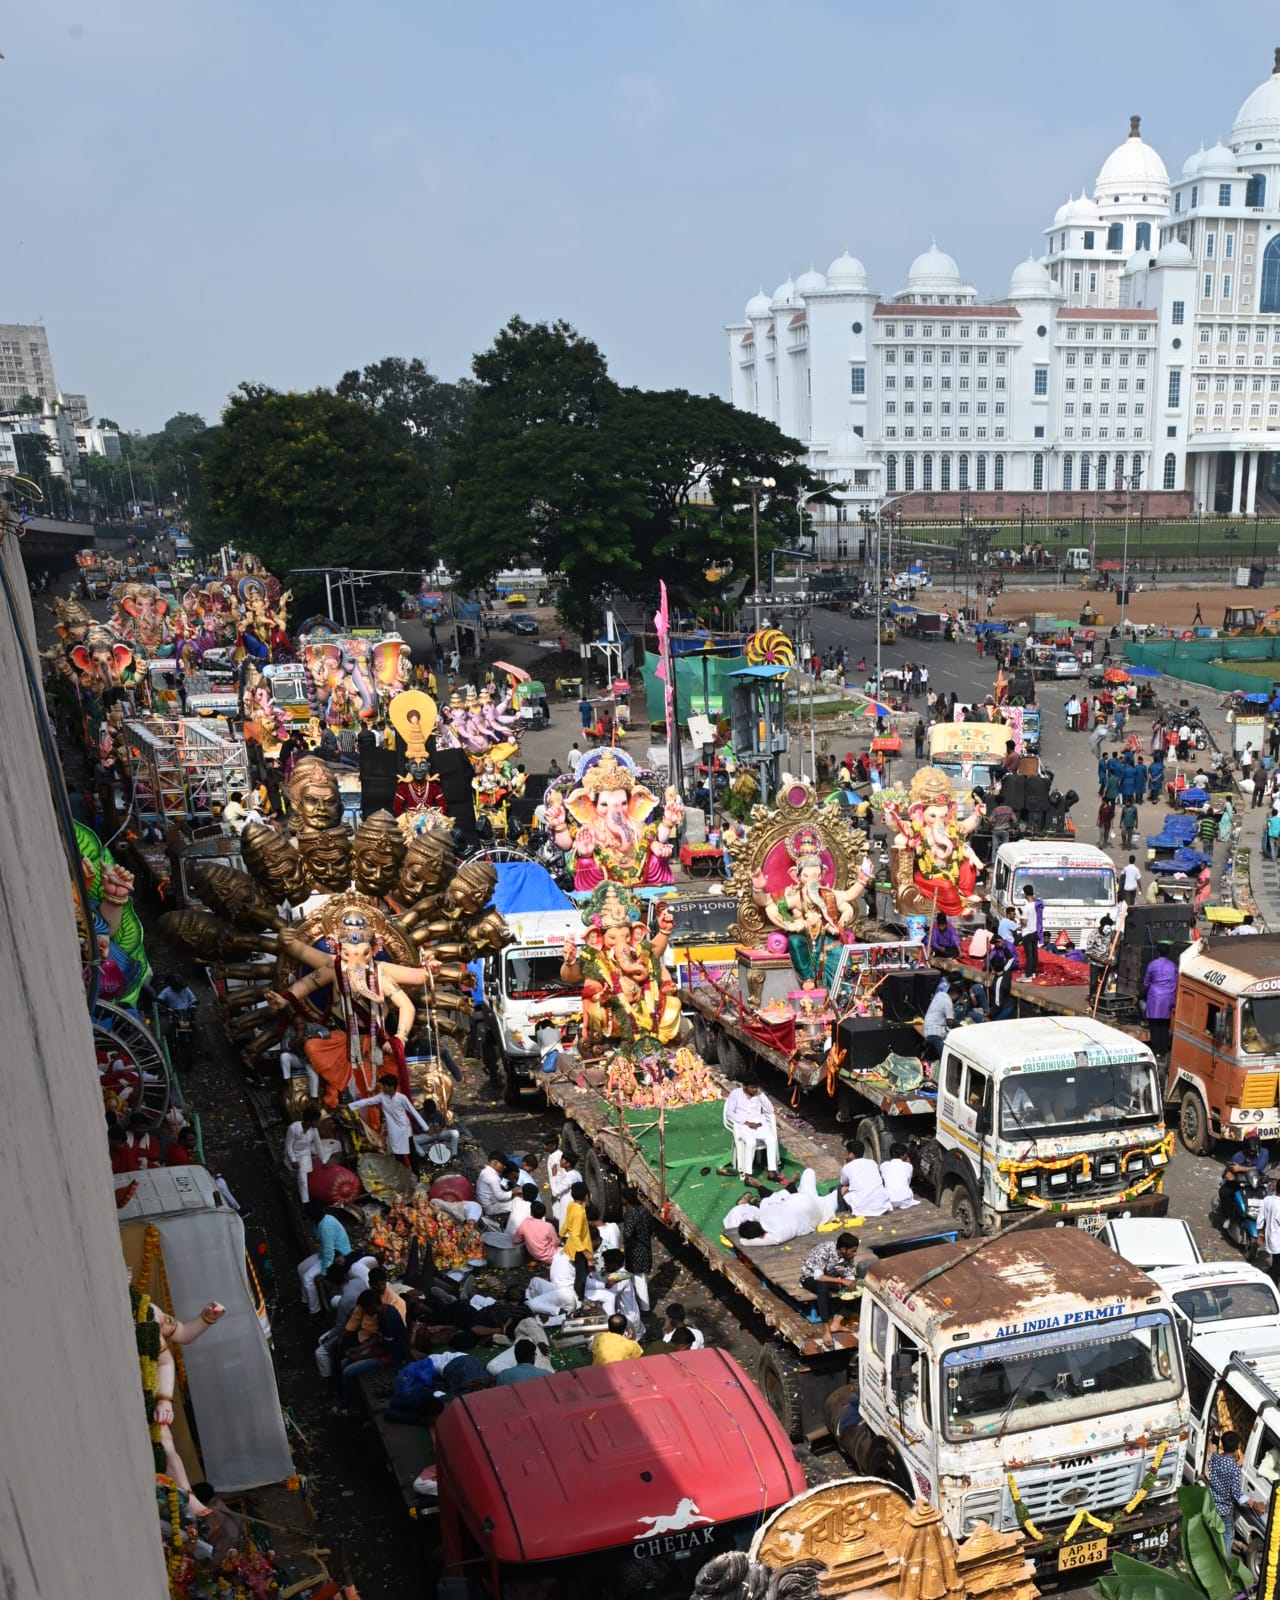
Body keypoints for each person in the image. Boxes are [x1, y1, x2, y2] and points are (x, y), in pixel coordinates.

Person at [338, 1288, 409, 1412]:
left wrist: (359, 1357)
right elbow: (377, 1337)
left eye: (366, 1309)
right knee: (344, 1362)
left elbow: (384, 1350)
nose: (365, 1312)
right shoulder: (383, 1312)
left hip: (391, 1357)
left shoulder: (389, 1318)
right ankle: (350, 1398)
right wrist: (360, 1348)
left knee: (348, 1371)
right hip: (380, 1350)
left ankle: (348, 1407)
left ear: (372, 1306)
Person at [349, 1073, 429, 1170]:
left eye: (385, 1086)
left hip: (405, 1131)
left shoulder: (401, 1098)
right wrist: (350, 1106)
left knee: (411, 1155)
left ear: (391, 1087)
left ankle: (416, 1177)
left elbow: (413, 1112)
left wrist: (426, 1127)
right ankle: (404, 1177)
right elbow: (368, 1101)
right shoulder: (382, 1097)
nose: (382, 1088)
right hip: (393, 1131)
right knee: (398, 1157)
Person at [1207, 1431, 1265, 1546]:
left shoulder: (1215, 1458)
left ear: (1222, 1445)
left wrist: (1237, 1464)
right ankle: (1225, 1561)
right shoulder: (1234, 1469)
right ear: (1238, 1447)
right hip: (1224, 1509)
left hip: (1211, 1503)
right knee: (1228, 1534)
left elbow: (1221, 1471)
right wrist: (1252, 1503)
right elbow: (1236, 1494)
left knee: (1213, 1532)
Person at [800, 1232, 860, 1333]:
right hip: (810, 1277)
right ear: (843, 1249)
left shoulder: (848, 1255)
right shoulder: (824, 1250)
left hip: (830, 1277)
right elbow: (819, 1277)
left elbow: (849, 1273)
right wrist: (841, 1280)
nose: (855, 1254)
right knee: (823, 1288)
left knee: (856, 1289)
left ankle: (837, 1323)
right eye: (853, 1251)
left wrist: (852, 1283)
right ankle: (826, 1327)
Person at [299, 1201, 352, 1314]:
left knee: (308, 1278)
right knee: (301, 1268)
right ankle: (306, 1299)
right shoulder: (321, 1222)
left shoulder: (325, 1227)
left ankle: (314, 1310)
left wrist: (324, 1272)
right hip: (325, 1253)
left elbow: (329, 1252)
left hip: (337, 1256)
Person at [724, 1080, 780, 1180]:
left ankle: (771, 1172)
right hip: (743, 1124)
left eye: (756, 1087)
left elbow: (770, 1110)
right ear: (745, 1086)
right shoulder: (735, 1094)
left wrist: (761, 1094)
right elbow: (729, 1112)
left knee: (771, 1139)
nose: (755, 1090)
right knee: (751, 1142)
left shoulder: (758, 1094)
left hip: (758, 1122)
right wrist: (746, 1122)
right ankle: (748, 1174)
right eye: (752, 1087)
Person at [284, 1102, 326, 1203]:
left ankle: (305, 1202)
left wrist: (323, 1161)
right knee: (293, 1173)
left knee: (303, 1180)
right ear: (309, 1121)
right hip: (293, 1153)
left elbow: (318, 1145)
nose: (318, 1123)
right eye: (316, 1121)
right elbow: (288, 1145)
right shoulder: (293, 1128)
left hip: (304, 1155)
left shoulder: (314, 1131)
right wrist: (293, 1160)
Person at [840, 1138, 892, 1217]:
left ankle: (842, 1211)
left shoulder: (848, 1167)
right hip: (881, 1206)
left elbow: (843, 1182)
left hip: (862, 1209)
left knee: (840, 1188)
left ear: (851, 1154)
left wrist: (845, 1164)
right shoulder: (872, 1162)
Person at [1142, 943, 1178, 1057]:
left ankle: (1156, 1051)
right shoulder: (1173, 966)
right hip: (1169, 998)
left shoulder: (1153, 964)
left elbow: (1146, 982)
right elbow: (1176, 982)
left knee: (1155, 1026)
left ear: (1158, 953)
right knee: (1165, 1026)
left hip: (1155, 998)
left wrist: (1148, 990)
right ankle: (1163, 1050)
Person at [560, 1179, 594, 1299]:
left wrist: (560, 1236)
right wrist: (586, 1253)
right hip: (579, 1248)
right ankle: (579, 1299)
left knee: (582, 1273)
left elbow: (567, 1222)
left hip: (573, 1245)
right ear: (586, 1195)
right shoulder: (579, 1212)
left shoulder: (572, 1205)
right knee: (581, 1276)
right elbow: (575, 1235)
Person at [526, 1248, 579, 1318]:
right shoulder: (561, 1251)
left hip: (568, 1296)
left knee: (531, 1304)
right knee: (534, 1280)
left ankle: (563, 1313)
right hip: (560, 1291)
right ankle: (562, 1314)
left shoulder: (564, 1252)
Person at [622, 1195, 653, 1311]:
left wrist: (625, 1243)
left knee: (638, 1278)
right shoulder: (643, 1211)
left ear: (626, 1200)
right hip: (645, 1248)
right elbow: (650, 1228)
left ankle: (644, 1307)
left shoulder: (630, 1215)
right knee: (641, 1277)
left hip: (635, 1251)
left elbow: (628, 1234)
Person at [513, 1200, 559, 1265]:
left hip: (535, 1255)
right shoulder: (548, 1226)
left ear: (531, 1213)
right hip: (550, 1257)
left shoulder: (525, 1223)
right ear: (544, 1213)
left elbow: (516, 1240)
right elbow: (555, 1243)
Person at [476, 1150, 515, 1227]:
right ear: (495, 1163)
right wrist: (514, 1192)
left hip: (485, 1201)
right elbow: (500, 1197)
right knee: (516, 1204)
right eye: (503, 1164)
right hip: (490, 1208)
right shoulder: (493, 1177)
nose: (504, 1167)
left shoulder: (485, 1171)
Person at [921, 979, 955, 1061]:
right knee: (946, 1058)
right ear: (956, 995)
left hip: (927, 1029)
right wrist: (961, 1027)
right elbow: (950, 1022)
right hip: (935, 1034)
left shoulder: (939, 995)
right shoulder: (948, 1002)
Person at [879, 1142, 918, 1209]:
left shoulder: (883, 1165)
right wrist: (908, 1162)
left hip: (889, 1200)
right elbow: (908, 1182)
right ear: (903, 1155)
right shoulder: (908, 1166)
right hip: (905, 1201)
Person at [1020, 884, 1041, 978]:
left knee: (1029, 955)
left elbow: (1024, 923)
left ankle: (1028, 974)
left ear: (1025, 894)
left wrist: (1019, 917)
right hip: (1036, 931)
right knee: (1034, 953)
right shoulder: (1038, 905)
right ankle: (1033, 972)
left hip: (1027, 933)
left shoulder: (1026, 907)